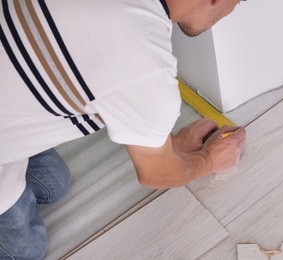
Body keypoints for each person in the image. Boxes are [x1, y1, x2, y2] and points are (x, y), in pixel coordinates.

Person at [0, 0, 246, 258]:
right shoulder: (144, 65)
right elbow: (155, 174)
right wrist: (207, 161)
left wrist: (166, 145)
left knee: (52, 184)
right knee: (26, 251)